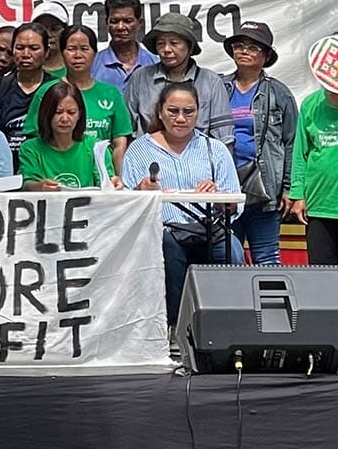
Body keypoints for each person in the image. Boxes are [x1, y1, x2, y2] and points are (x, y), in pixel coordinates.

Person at [121, 82, 244, 331]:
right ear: (160, 112)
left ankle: (227, 325)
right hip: (163, 229)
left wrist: (219, 196)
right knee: (168, 249)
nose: (180, 118)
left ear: (198, 113)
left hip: (208, 227)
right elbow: (125, 205)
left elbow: (234, 205)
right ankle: (174, 325)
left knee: (233, 250)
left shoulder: (214, 149)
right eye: (173, 111)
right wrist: (140, 191)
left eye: (188, 112)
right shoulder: (139, 149)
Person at [222, 21, 298, 265]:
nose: (244, 51)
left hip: (266, 188)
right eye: (239, 45)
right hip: (227, 189)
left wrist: (289, 188)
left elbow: (291, 142)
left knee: (267, 259)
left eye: (253, 47)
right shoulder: (219, 88)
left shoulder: (279, 93)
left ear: (265, 56)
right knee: (227, 258)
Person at [23, 25, 132, 173]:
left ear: (95, 53)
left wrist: (118, 178)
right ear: (62, 52)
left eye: (84, 49)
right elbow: (33, 138)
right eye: (71, 49)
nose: (78, 55)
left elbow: (119, 143)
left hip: (99, 174)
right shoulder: (47, 91)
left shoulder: (110, 94)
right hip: (53, 174)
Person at [124, 12, 234, 148]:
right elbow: (125, 130)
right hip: (147, 156)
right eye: (161, 43)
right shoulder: (140, 78)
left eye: (174, 43)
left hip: (197, 158)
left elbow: (224, 138)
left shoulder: (211, 82)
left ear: (189, 46)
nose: (166, 49)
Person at [290, 34, 338, 264]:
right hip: (319, 204)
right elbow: (300, 153)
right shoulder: (311, 104)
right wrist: (298, 195)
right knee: (321, 274)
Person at [20, 82, 122, 191]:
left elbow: (105, 182)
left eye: (71, 112)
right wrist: (40, 187)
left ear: (79, 115)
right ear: (47, 113)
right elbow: (27, 183)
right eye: (58, 112)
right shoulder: (30, 149)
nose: (64, 119)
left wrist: (113, 183)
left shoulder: (95, 147)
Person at [0, 22, 55, 169]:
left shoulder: (56, 88)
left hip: (45, 170)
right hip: (7, 170)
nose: (26, 54)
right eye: (20, 48)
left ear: (46, 52)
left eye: (34, 48)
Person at [91, 0, 157, 92]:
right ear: (107, 23)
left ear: (139, 23)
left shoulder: (155, 64)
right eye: (114, 21)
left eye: (128, 21)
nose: (120, 27)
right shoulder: (92, 65)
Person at [31, 1, 69, 78]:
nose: (49, 34)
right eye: (42, 29)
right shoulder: (23, 69)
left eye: (54, 29)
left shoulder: (79, 68)